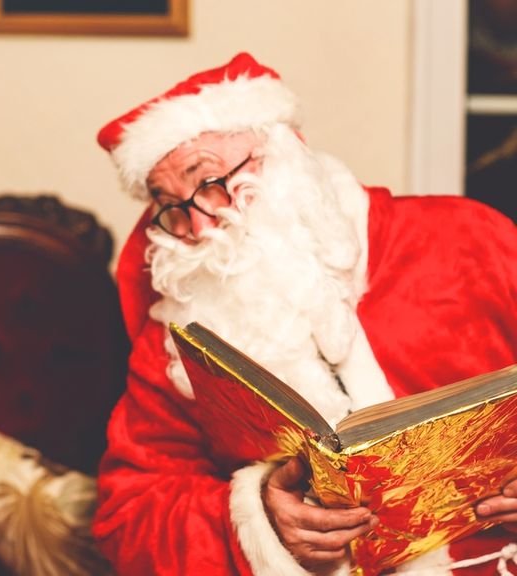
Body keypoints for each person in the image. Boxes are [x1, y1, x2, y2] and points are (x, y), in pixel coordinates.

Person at [92, 52, 517, 575]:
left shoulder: (467, 239)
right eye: (171, 206)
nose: (200, 230)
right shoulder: (178, 334)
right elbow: (129, 517)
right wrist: (260, 523)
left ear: (284, 156)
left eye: (209, 183)